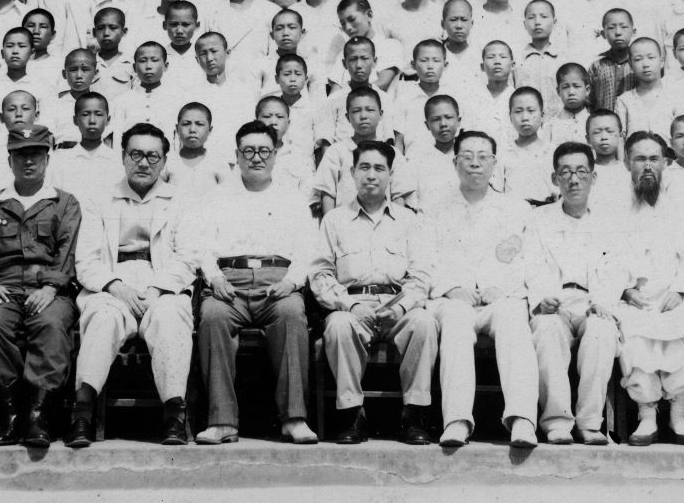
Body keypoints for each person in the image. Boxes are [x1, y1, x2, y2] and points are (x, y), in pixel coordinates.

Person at [66, 123, 198, 447]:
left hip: (162, 282)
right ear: (123, 157)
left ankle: (174, 416)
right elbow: (87, 259)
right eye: (136, 154)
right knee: (103, 318)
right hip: (112, 282)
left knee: (170, 318)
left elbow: (187, 256)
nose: (143, 163)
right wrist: (118, 288)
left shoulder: (179, 201)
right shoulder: (100, 199)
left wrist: (156, 290)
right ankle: (82, 413)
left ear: (165, 161)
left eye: (152, 156)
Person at [195, 121, 318, 444]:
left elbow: (307, 248)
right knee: (212, 317)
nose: (256, 157)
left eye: (264, 150)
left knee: (292, 314)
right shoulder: (217, 196)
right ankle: (222, 422)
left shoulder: (291, 198)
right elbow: (202, 246)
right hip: (229, 283)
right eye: (248, 151)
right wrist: (215, 277)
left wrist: (292, 282)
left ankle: (294, 418)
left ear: (275, 154)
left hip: (276, 284)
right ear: (237, 154)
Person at [310, 140, 438, 445]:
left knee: (424, 323)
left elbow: (421, 275)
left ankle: (413, 415)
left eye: (379, 168)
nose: (371, 175)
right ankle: (353, 415)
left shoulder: (410, 221)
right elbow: (320, 273)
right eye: (364, 167)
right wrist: (349, 305)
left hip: (397, 304)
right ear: (352, 173)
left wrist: (401, 307)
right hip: (352, 304)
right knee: (338, 325)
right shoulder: (334, 220)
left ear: (390, 174)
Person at [425, 130, 542, 449]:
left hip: (500, 296)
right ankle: (457, 420)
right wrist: (451, 288)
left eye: (483, 157)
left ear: (494, 163)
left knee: (512, 319)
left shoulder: (515, 208)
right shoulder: (435, 208)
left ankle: (522, 420)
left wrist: (500, 287)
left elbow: (527, 258)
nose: (475, 163)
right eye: (467, 156)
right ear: (455, 162)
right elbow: (424, 258)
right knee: (456, 322)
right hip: (453, 298)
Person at [0, 124, 81, 448]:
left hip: (49, 287)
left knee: (50, 324)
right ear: (9, 161)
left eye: (35, 154)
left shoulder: (64, 203)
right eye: (21, 155)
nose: (28, 161)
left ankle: (37, 412)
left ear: (47, 159)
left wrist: (50, 288)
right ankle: (9, 411)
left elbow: (67, 252)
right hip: (2, 287)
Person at [524, 142, 621, 445]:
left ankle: (590, 422)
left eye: (581, 172)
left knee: (602, 331)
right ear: (555, 179)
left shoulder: (609, 221)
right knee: (546, 328)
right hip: (556, 302)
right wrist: (542, 297)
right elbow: (531, 263)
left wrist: (601, 301)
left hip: (593, 301)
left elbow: (617, 267)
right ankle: (557, 421)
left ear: (593, 177)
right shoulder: (539, 219)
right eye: (566, 173)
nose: (574, 180)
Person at [613, 131, 684, 445]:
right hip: (633, 296)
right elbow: (606, 256)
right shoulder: (614, 208)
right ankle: (647, 416)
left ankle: (679, 415)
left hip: (672, 294)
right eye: (640, 159)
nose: (647, 166)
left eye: (654, 159)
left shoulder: (681, 205)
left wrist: (680, 291)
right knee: (633, 327)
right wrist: (624, 290)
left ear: (665, 162)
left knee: (682, 323)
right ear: (627, 163)